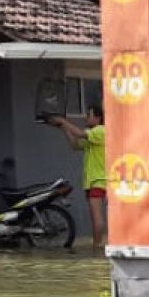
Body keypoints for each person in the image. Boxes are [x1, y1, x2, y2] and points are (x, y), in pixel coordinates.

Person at [50, 106, 106, 247]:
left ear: (98, 118)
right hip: (93, 180)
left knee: (97, 216)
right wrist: (64, 127)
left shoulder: (100, 130)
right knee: (95, 216)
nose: (86, 117)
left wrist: (64, 121)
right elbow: (75, 145)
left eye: (89, 114)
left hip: (99, 179)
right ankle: (98, 243)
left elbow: (80, 134)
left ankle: (98, 244)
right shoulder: (93, 135)